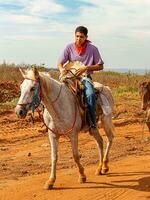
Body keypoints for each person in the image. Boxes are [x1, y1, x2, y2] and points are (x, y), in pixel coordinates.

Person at [57, 25, 104, 132]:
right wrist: (61, 69)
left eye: (81, 37)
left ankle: (92, 123)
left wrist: (86, 67)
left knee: (90, 95)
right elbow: (60, 63)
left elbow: (100, 66)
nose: (78, 39)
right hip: (69, 76)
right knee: (55, 90)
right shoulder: (69, 47)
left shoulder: (93, 49)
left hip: (85, 78)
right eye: (77, 36)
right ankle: (51, 120)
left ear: (86, 37)